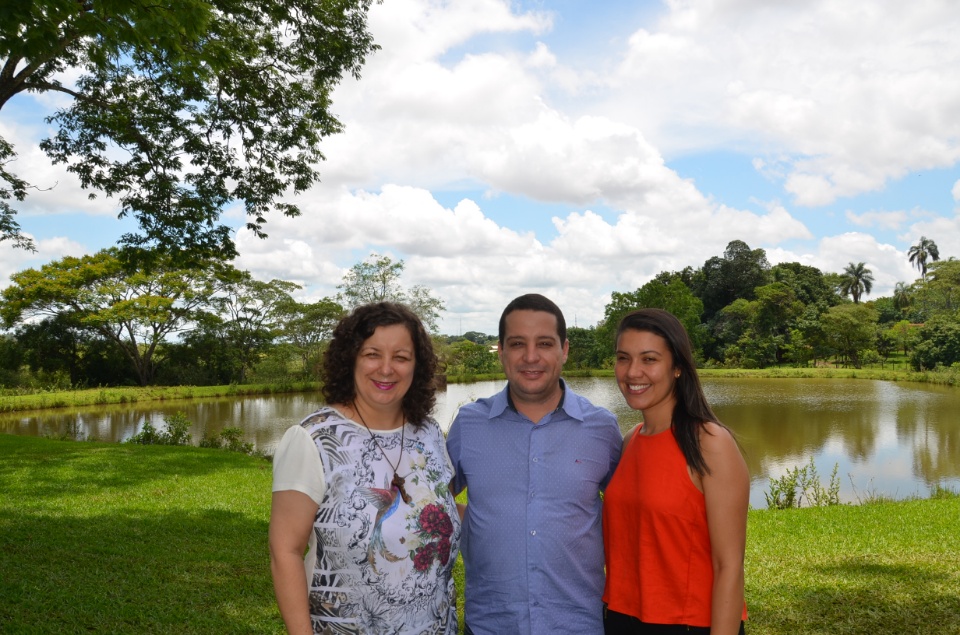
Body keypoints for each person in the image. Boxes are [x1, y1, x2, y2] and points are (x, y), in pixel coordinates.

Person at [269, 302, 460, 635]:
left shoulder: (429, 433)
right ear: (351, 359)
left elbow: (438, 511)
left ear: (417, 366)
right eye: (372, 354)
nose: (386, 369)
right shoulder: (312, 439)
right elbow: (285, 551)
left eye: (401, 357)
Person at [447, 293, 623, 635]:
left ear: (565, 350)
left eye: (544, 343)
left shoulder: (601, 427)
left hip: (578, 625)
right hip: (490, 625)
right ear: (500, 351)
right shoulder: (468, 424)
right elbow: (430, 502)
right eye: (517, 343)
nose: (531, 357)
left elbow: (631, 512)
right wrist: (475, 523)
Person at [602, 308, 749, 635]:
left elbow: (729, 567)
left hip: (687, 624)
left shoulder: (710, 442)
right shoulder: (630, 441)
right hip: (621, 618)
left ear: (678, 367)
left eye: (649, 359)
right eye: (623, 358)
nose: (632, 372)